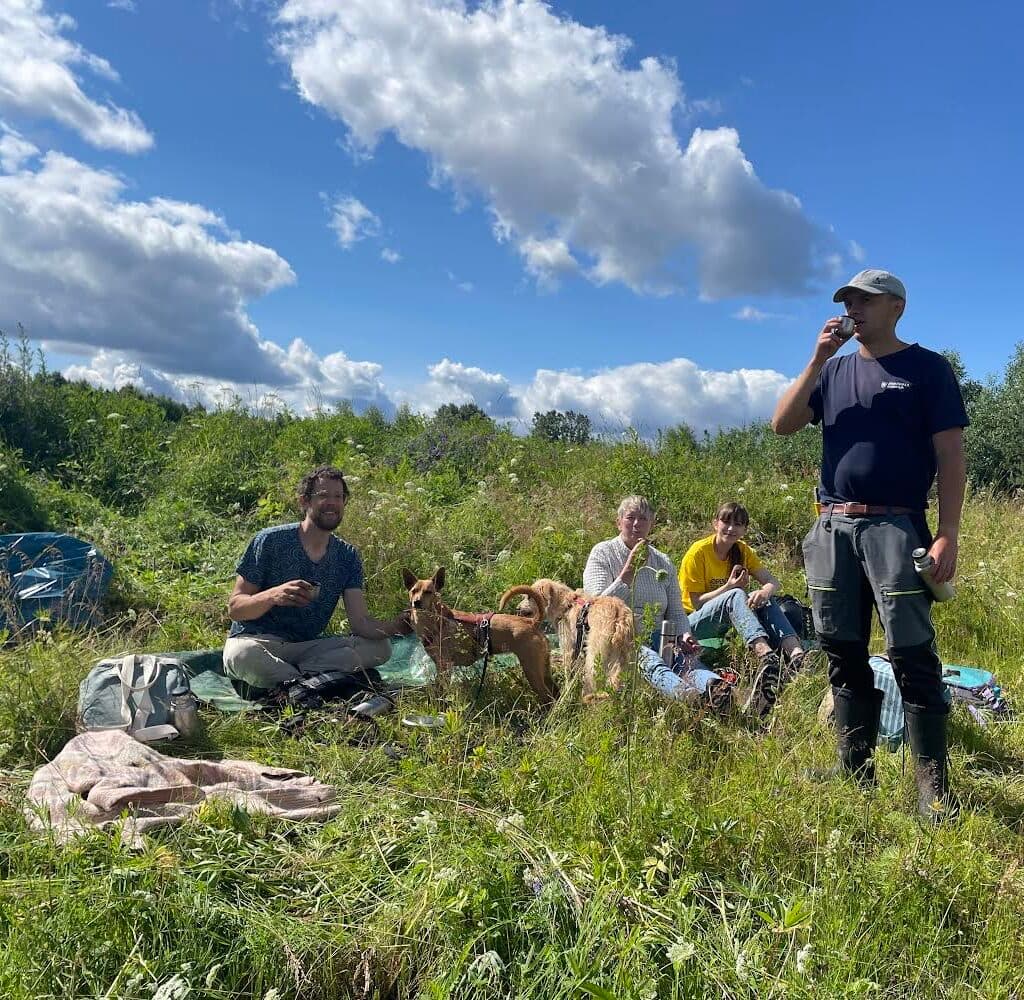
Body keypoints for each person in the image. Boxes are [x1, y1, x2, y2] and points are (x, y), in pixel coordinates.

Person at [772, 268, 968, 821]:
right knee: (841, 647)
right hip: (832, 527)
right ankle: (854, 767)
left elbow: (951, 456)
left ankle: (932, 787)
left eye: (865, 301)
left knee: (910, 651)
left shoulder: (927, 370)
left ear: (896, 307)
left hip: (895, 527)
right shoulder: (832, 370)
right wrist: (816, 359)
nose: (852, 310)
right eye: (848, 302)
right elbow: (782, 424)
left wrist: (948, 533)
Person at [224, 465, 411, 692]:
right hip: (257, 642)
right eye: (323, 495)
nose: (332, 503)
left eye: (338, 497)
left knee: (380, 648)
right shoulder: (270, 541)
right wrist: (273, 595)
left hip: (308, 648)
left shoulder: (347, 556)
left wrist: (398, 626)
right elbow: (236, 608)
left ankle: (296, 684)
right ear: (304, 501)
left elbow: (361, 623)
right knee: (242, 656)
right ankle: (317, 682)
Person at [582, 495, 743, 714]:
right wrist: (628, 573)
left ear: (652, 524)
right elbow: (597, 606)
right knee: (650, 660)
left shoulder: (662, 561)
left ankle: (721, 693)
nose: (637, 524)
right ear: (618, 522)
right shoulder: (603, 553)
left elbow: (676, 610)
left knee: (687, 663)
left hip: (660, 635)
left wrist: (685, 635)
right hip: (621, 636)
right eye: (630, 518)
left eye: (643, 519)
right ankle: (692, 700)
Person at [679, 500, 805, 690]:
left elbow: (772, 582)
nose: (731, 529)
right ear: (715, 523)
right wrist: (729, 587)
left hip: (728, 617)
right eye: (726, 522)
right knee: (736, 594)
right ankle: (765, 655)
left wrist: (764, 592)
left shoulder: (742, 551)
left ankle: (797, 655)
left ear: (744, 529)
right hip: (692, 623)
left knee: (764, 599)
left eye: (737, 524)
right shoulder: (698, 553)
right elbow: (696, 603)